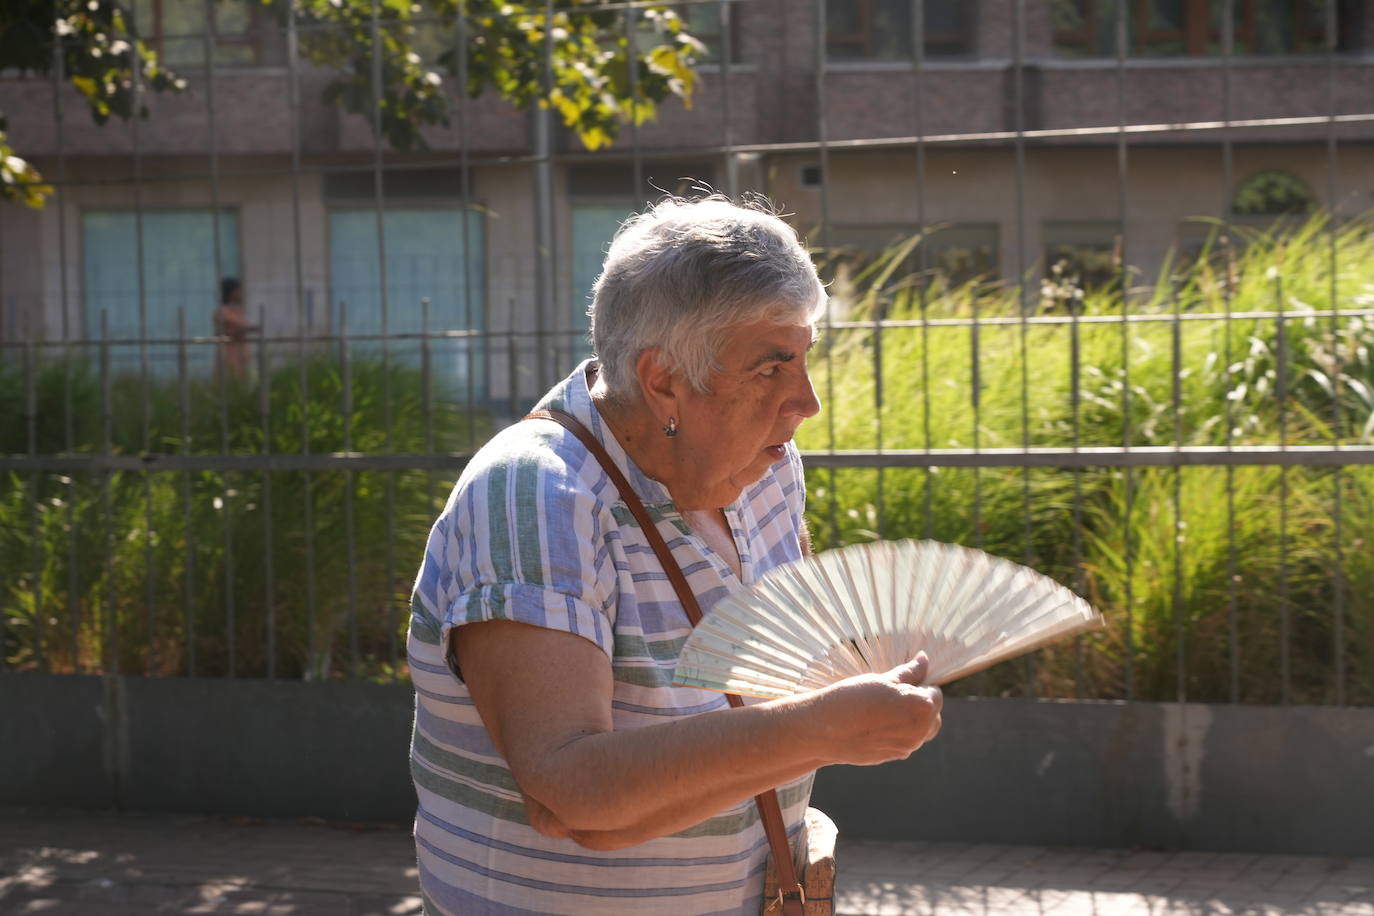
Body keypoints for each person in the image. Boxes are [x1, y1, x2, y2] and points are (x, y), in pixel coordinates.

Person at [406, 196, 943, 915]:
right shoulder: (538, 494)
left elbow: (755, 716)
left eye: (806, 360)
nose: (807, 401)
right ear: (662, 380)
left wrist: (640, 811)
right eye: (771, 369)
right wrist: (822, 731)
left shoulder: (767, 469)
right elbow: (573, 783)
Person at [212, 277, 258, 378]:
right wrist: (243, 330)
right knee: (229, 380)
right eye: (238, 290)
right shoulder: (222, 311)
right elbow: (232, 327)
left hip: (241, 353)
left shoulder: (239, 310)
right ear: (231, 292)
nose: (240, 293)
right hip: (229, 354)